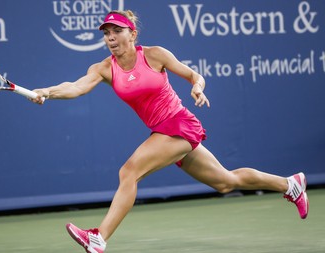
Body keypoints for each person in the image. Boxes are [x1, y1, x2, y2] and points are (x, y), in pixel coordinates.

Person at [30, 10, 309, 253]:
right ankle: (291, 184)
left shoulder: (154, 55)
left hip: (178, 123)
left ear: (132, 33)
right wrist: (47, 92)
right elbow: (76, 86)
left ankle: (99, 238)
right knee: (225, 182)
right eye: (106, 33)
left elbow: (193, 75)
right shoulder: (104, 68)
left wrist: (197, 86)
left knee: (129, 172)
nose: (111, 37)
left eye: (117, 31)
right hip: (164, 132)